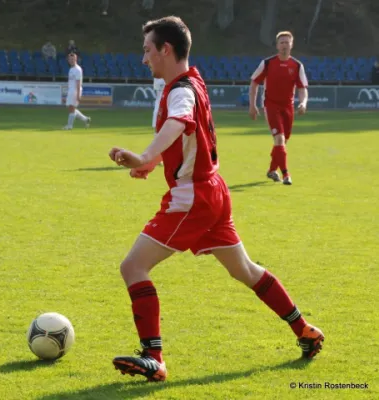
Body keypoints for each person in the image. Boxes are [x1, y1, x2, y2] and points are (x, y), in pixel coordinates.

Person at [108, 17, 324, 383]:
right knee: (246, 270)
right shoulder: (194, 80)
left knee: (132, 268)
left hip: (192, 196)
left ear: (165, 50)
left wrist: (145, 157)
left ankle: (154, 357)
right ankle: (305, 330)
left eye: (147, 50)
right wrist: (155, 163)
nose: (144, 59)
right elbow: (186, 135)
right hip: (213, 191)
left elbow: (177, 124)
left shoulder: (180, 90)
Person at [249, 31, 308, 186]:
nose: (284, 45)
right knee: (280, 139)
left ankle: (271, 170)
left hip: (288, 107)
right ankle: (286, 174)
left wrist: (303, 103)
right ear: (277, 45)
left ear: (291, 45)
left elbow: (302, 88)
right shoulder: (267, 63)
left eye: (287, 42)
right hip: (271, 105)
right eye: (281, 42)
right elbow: (254, 82)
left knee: (282, 142)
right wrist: (252, 105)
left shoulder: (297, 65)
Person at [63, 52, 91, 130]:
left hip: (75, 91)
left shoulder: (78, 69)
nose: (71, 60)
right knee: (71, 108)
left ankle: (69, 126)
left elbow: (78, 83)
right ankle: (86, 119)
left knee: (72, 108)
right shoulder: (71, 69)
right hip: (71, 90)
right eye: (70, 59)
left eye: (73, 59)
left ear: (76, 59)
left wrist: (78, 94)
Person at [152, 77, 165, 166]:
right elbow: (158, 88)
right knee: (158, 133)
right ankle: (157, 157)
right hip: (159, 108)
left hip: (170, 107)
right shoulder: (158, 77)